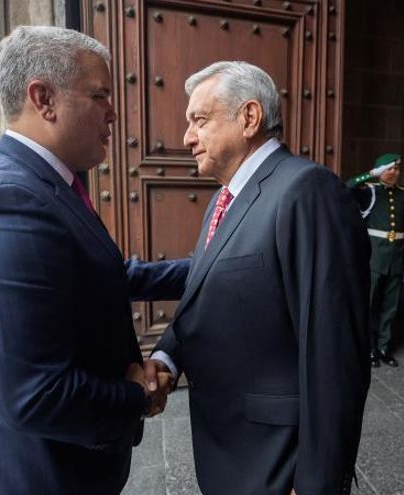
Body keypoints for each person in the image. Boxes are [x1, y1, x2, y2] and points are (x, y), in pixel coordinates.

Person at [0, 26, 187, 495]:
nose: (114, 112)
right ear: (44, 98)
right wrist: (137, 394)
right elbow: (34, 395)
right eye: (100, 95)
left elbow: (104, 275)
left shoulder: (45, 185)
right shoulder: (6, 200)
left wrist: (212, 266)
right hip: (30, 475)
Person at [146, 61, 371, 495]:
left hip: (278, 461)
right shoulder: (222, 201)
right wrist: (168, 358)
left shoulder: (307, 190)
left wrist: (316, 482)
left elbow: (335, 352)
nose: (188, 138)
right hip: (230, 449)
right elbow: (207, 292)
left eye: (200, 120)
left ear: (249, 118)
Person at [347, 153, 404, 368]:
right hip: (373, 257)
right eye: (389, 169)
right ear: (380, 171)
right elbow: (346, 187)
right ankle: (368, 349)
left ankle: (384, 348)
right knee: (368, 305)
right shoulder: (369, 191)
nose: (394, 172)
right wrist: (370, 175)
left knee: (390, 306)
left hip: (396, 257)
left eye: (397, 169)